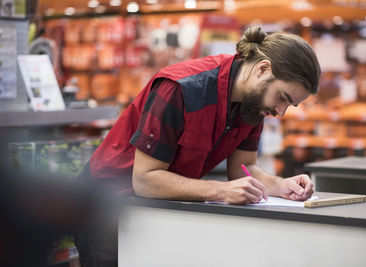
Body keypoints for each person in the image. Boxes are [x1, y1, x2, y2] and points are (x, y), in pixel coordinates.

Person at [76, 26, 321, 266]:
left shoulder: (252, 106)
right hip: (107, 207)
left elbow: (243, 169)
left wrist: (281, 185)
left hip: (156, 209)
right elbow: (144, 180)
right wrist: (220, 191)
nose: (280, 112)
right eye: (282, 98)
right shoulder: (181, 88)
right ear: (262, 69)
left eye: (290, 106)